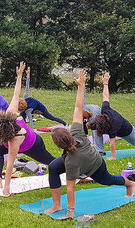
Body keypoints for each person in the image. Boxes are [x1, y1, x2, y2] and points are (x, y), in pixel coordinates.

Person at [45, 70, 134, 219]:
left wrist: (71, 212)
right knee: (53, 167)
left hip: (95, 165)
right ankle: (56, 205)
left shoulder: (72, 163)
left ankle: (130, 184)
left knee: (108, 180)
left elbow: (71, 188)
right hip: (78, 158)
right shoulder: (77, 131)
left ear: (59, 146)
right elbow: (78, 108)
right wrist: (81, 86)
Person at [0, 62, 55, 195]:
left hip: (33, 145)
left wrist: (7, 188)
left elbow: (10, 164)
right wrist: (19, 75)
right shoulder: (10, 113)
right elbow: (16, 94)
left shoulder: (15, 140)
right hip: (22, 142)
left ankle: (73, 168)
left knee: (51, 162)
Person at [89, 73, 135, 160]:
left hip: (129, 133)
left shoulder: (113, 126)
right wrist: (105, 83)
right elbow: (106, 96)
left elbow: (112, 144)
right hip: (121, 127)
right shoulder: (105, 110)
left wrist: (113, 157)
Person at [82, 87, 105, 155]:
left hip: (93, 110)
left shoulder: (82, 114)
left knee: (95, 128)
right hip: (91, 109)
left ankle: (100, 150)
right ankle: (99, 149)